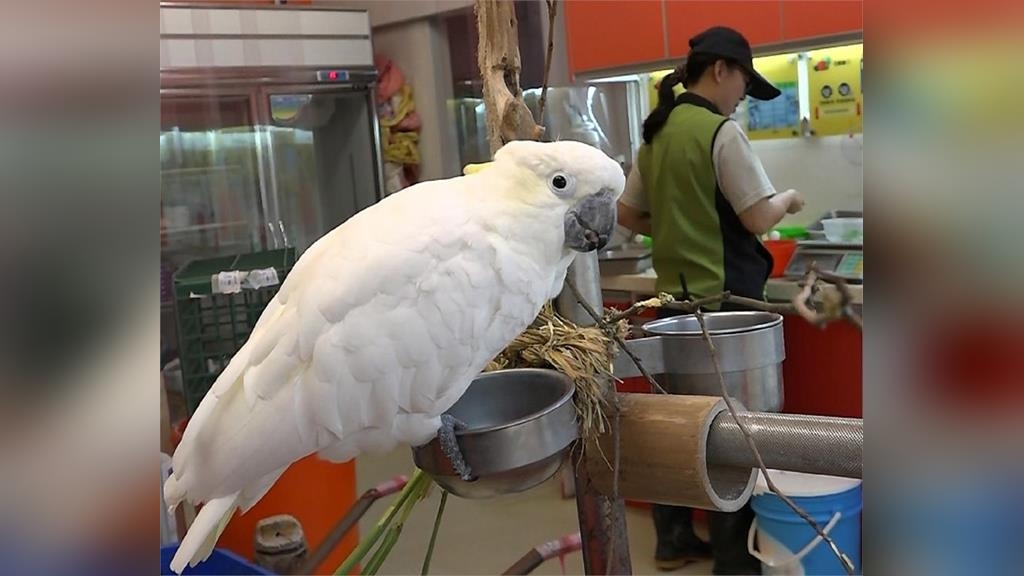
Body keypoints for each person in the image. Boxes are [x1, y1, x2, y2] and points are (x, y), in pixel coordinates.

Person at [617, 26, 805, 574]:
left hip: (673, 310)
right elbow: (756, 217)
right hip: (727, 310)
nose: (744, 93)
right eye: (744, 80)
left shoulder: (657, 133)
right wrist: (787, 199)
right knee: (735, 432)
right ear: (721, 69)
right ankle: (733, 560)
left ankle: (673, 540)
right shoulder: (720, 132)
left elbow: (628, 215)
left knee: (677, 425)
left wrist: (679, 224)